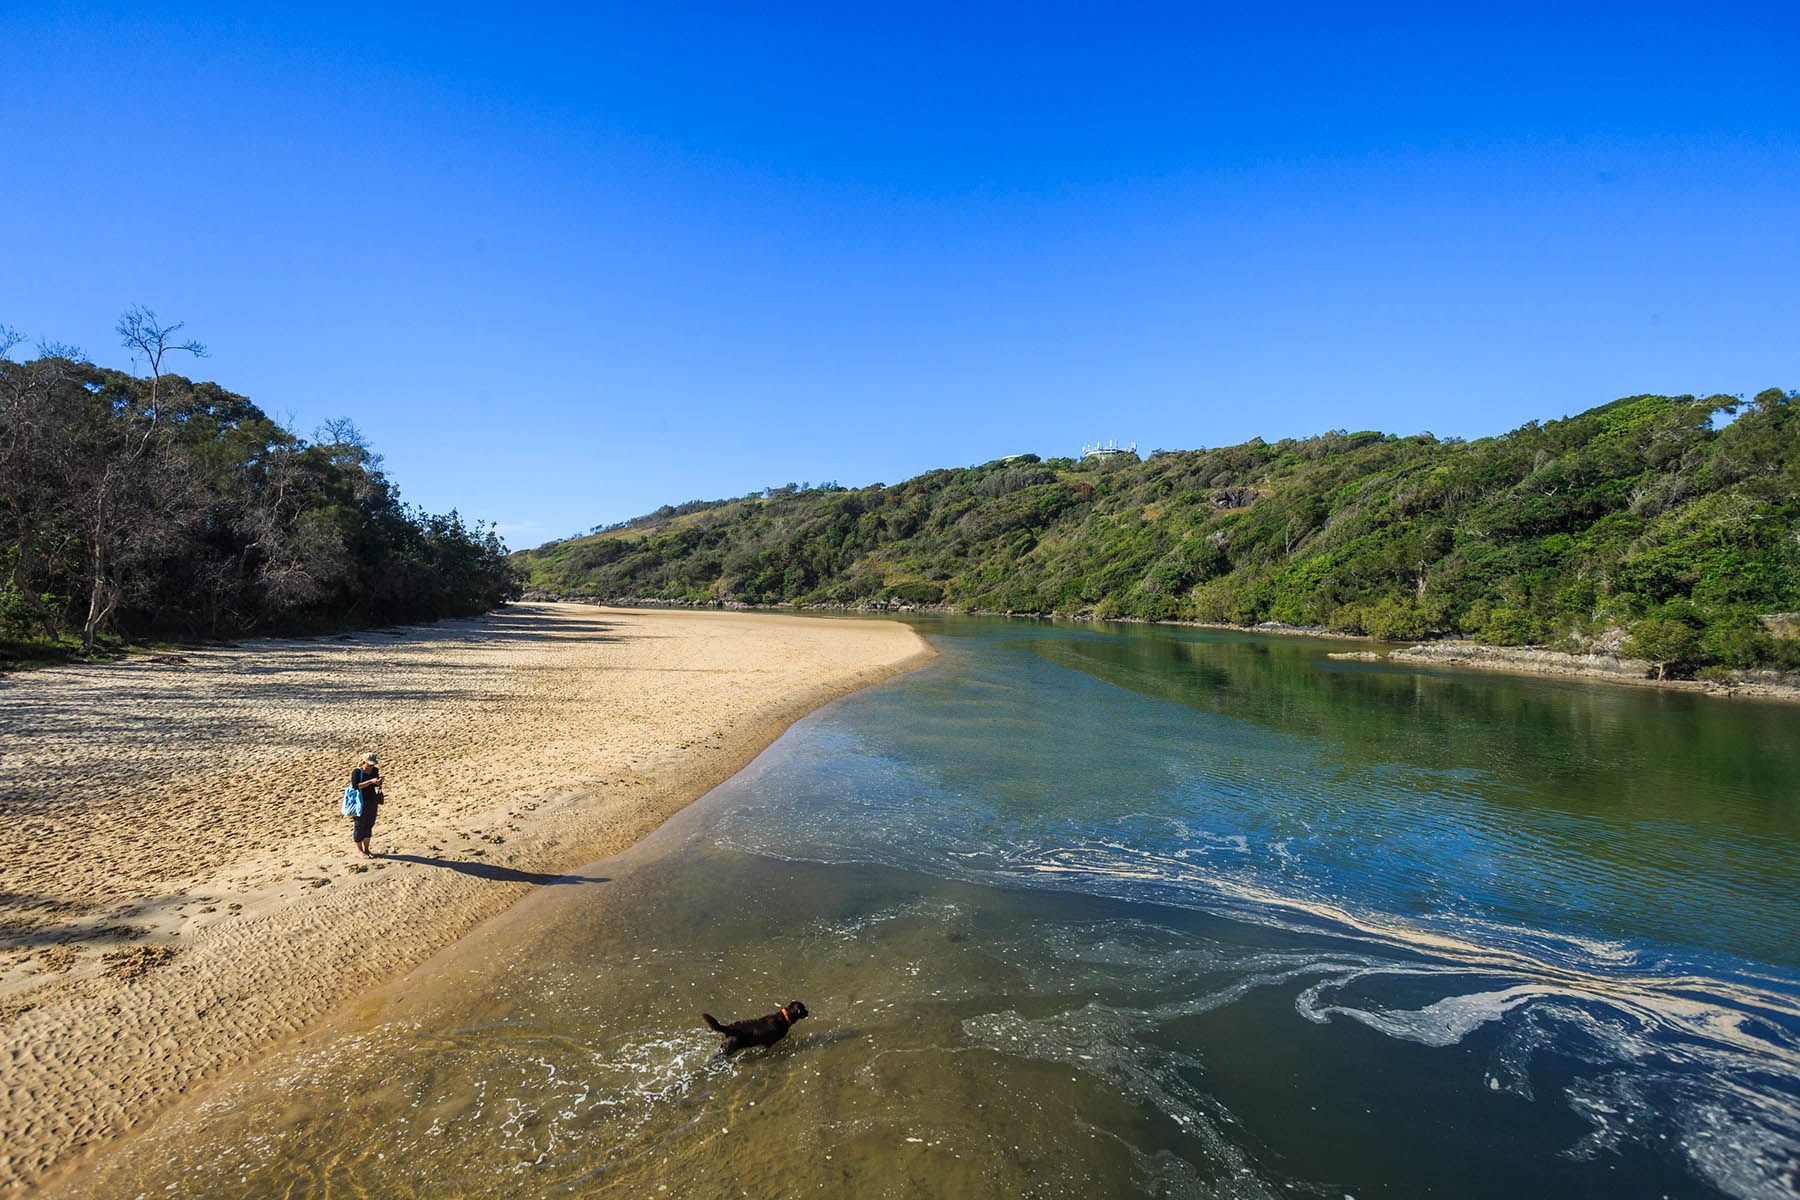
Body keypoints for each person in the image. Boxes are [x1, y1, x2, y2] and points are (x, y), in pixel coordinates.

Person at [349, 752, 384, 858]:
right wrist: (370, 782)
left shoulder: (375, 770)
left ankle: (367, 849)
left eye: (373, 764)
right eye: (370, 764)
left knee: (369, 824)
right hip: (360, 801)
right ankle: (359, 851)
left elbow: (375, 784)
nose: (371, 766)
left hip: (372, 800)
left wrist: (378, 782)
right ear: (364, 761)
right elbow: (355, 786)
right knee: (359, 825)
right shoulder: (357, 772)